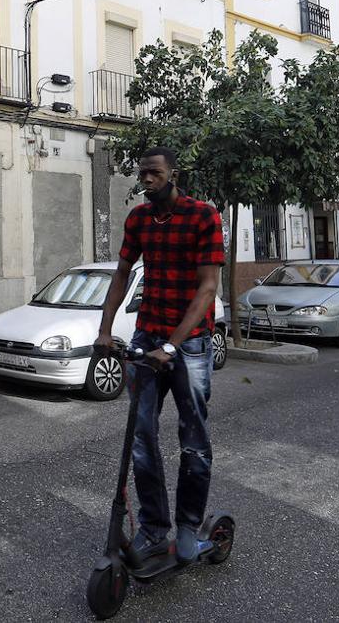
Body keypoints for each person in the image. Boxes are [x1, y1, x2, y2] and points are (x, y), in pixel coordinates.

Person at [94, 146, 224, 569]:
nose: (146, 180)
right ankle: (154, 525)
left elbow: (208, 289)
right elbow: (121, 274)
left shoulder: (204, 216)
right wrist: (105, 328)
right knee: (142, 438)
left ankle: (188, 524)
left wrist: (172, 346)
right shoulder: (138, 219)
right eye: (142, 174)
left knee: (194, 440)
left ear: (173, 173)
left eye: (154, 173)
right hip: (148, 333)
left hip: (191, 343)